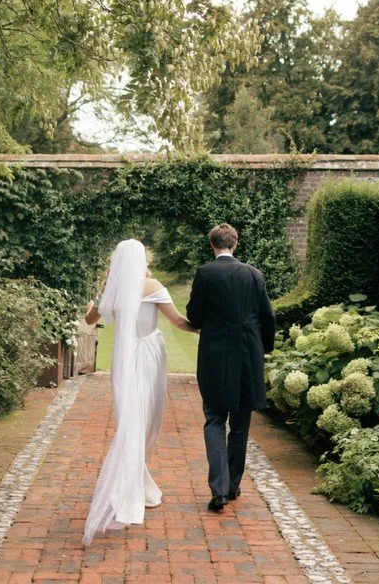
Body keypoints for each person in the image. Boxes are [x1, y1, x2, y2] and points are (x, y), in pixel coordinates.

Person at [81, 239, 197, 545]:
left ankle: (136, 482)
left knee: (130, 420)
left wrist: (90, 307)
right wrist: (207, 328)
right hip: (149, 356)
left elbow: (90, 319)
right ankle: (132, 484)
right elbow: (179, 322)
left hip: (124, 360)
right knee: (148, 420)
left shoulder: (113, 291)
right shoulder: (153, 285)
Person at [186, 223, 276, 512]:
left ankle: (219, 490)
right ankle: (233, 485)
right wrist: (266, 348)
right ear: (234, 244)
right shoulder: (254, 274)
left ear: (213, 244)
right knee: (240, 422)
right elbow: (268, 317)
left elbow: (195, 316)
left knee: (214, 418)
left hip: (214, 355)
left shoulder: (205, 273)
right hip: (248, 356)